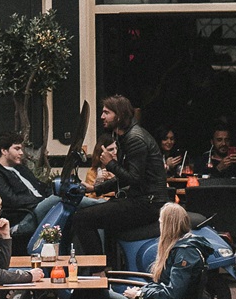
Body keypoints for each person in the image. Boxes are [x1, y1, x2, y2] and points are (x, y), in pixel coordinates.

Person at [61, 202, 206, 299]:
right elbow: (166, 287)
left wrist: (140, 294)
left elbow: (172, 294)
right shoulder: (182, 249)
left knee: (90, 297)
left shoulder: (185, 253)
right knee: (85, 297)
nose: (159, 226)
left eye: (161, 222)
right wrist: (143, 290)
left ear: (168, 225)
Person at [64, 95, 167, 263]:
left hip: (147, 203)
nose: (102, 117)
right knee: (103, 215)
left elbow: (133, 178)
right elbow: (127, 177)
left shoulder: (135, 139)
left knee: (81, 218)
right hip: (144, 200)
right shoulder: (127, 136)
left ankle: (98, 270)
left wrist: (110, 164)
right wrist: (95, 189)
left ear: (118, 115)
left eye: (106, 112)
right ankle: (112, 266)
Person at [0, 131, 60, 249]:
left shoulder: (21, 169)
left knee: (69, 203)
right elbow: (11, 200)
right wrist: (42, 201)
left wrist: (50, 193)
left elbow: (41, 187)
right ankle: (97, 203)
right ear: (4, 151)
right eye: (17, 149)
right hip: (24, 216)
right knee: (61, 198)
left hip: (38, 208)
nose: (21, 153)